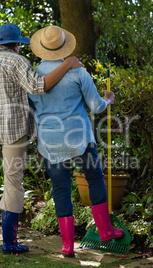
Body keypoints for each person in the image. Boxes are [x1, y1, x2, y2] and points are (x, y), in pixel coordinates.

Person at [0, 23, 83, 255]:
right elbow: (39, 86)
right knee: (13, 182)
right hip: (13, 129)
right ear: (17, 44)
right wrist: (67, 64)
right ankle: (9, 242)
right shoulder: (17, 61)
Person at [28, 25, 125, 258]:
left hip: (49, 142)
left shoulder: (33, 76)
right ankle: (105, 230)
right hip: (79, 138)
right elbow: (96, 106)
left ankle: (67, 246)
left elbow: (32, 112)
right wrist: (108, 99)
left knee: (61, 189)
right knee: (93, 178)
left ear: (42, 48)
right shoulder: (78, 72)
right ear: (64, 47)